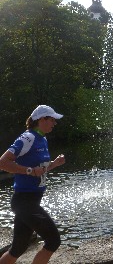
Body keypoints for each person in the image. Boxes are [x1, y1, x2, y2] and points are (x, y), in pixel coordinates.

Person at [0, 105, 66, 264]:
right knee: (53, 241)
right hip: (25, 202)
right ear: (41, 119)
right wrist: (29, 171)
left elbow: (39, 170)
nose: (54, 123)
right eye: (52, 120)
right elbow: (3, 162)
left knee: (18, 249)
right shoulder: (27, 138)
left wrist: (54, 164)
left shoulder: (42, 138)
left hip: (30, 202)